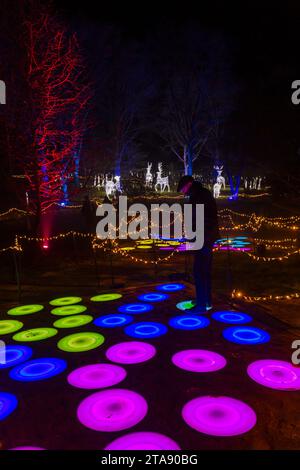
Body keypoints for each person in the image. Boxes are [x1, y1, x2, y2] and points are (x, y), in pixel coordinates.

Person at [177, 175, 220, 313]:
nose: (182, 192)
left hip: (203, 238)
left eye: (183, 189)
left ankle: (201, 305)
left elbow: (199, 220)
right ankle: (205, 300)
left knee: (199, 271)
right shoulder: (202, 193)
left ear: (189, 184)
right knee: (204, 271)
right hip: (206, 237)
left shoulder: (198, 196)